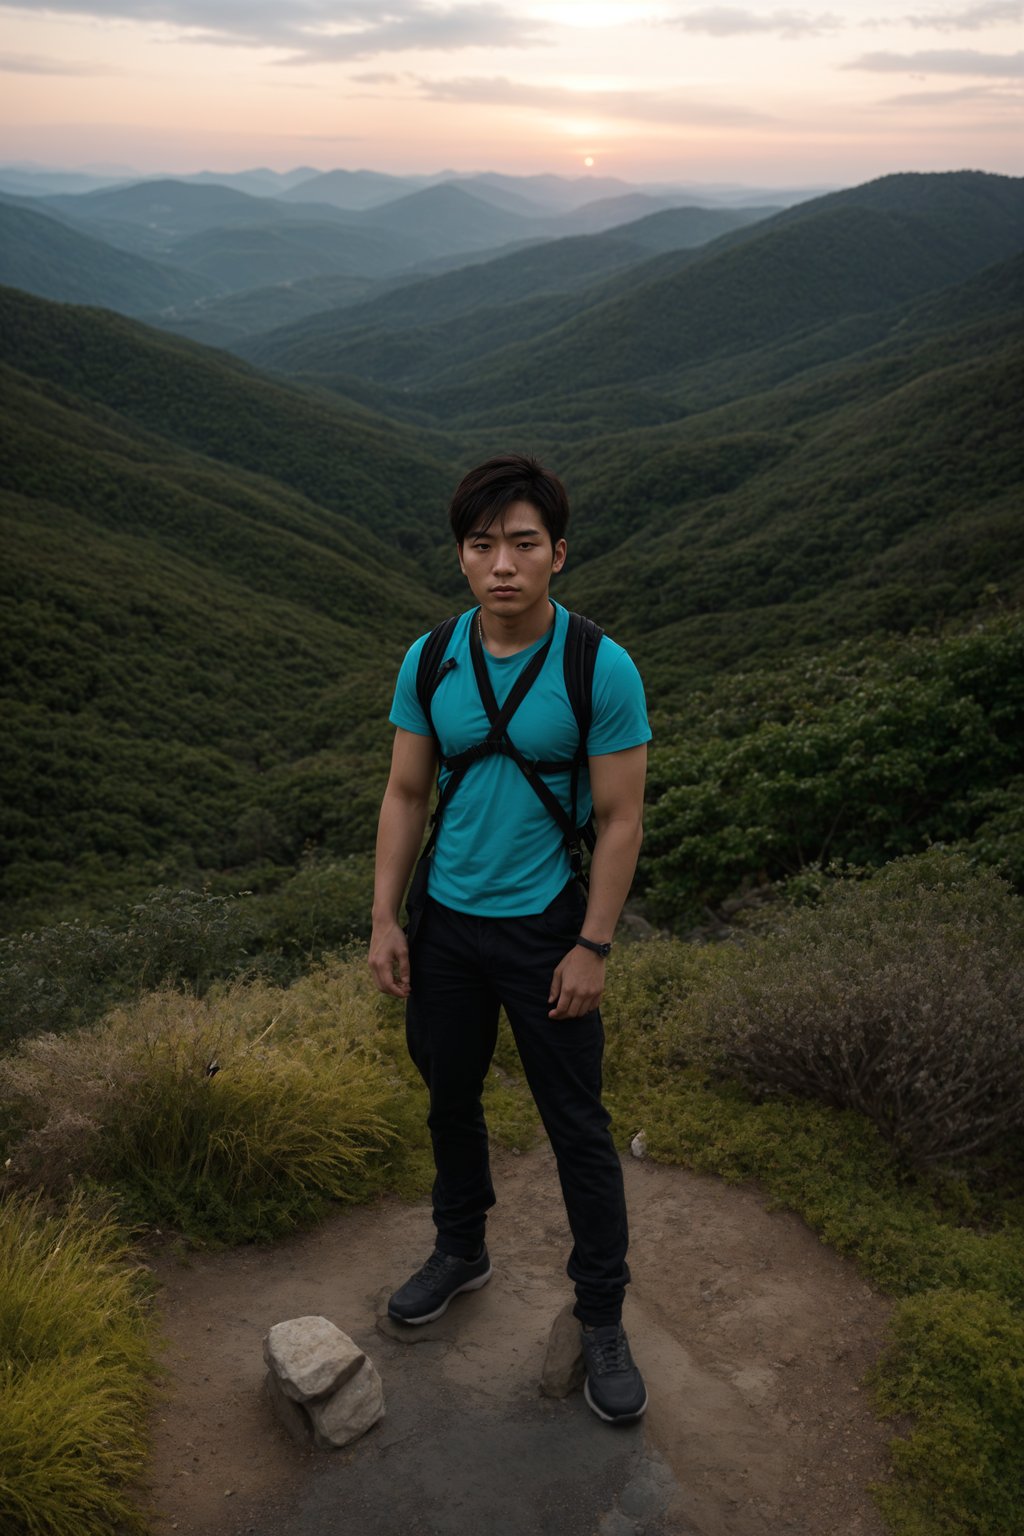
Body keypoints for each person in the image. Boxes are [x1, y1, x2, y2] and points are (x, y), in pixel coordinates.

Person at [368, 453, 651, 1424]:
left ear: (557, 555)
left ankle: (601, 1316)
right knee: (448, 1096)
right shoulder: (430, 658)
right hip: (445, 924)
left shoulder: (596, 667)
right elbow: (407, 793)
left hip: (545, 930)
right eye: (483, 545)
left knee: (577, 1125)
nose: (502, 564)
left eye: (522, 544)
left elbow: (619, 820)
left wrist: (593, 946)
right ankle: (460, 1249)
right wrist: (383, 918)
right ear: (460, 557)